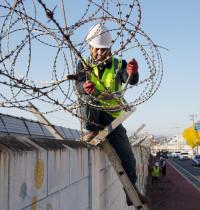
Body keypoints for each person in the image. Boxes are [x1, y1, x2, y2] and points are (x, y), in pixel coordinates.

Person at [75, 23, 147, 206]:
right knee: (86, 97)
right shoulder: (83, 64)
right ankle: (91, 129)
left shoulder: (118, 64)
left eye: (103, 49)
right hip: (94, 112)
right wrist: (84, 87)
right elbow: (78, 84)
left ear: (109, 49)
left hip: (113, 118)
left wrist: (133, 72)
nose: (99, 53)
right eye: (96, 49)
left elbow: (130, 79)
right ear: (90, 48)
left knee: (128, 158)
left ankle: (132, 194)